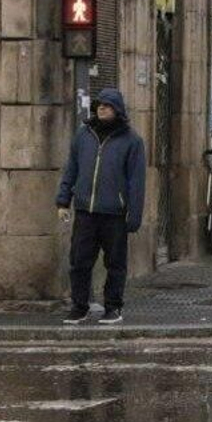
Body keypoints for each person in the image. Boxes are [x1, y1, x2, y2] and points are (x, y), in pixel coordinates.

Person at [56, 89, 146, 325]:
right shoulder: (83, 136)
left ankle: (113, 307)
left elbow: (136, 181)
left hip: (114, 213)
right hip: (86, 211)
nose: (102, 108)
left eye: (107, 105)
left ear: (118, 110)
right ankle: (79, 306)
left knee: (115, 264)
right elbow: (71, 169)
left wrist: (134, 214)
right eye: (99, 105)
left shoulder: (132, 141)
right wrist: (63, 200)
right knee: (79, 261)